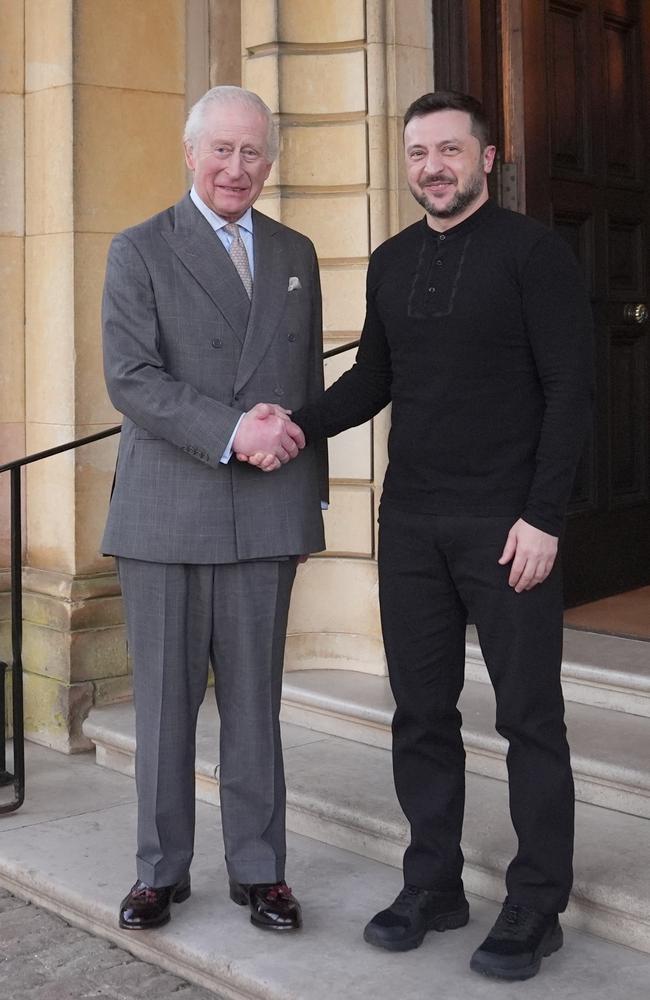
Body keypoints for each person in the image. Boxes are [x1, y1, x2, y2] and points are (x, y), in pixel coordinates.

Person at [243, 90, 594, 980]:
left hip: (508, 525)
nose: (431, 167)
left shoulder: (535, 255)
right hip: (412, 524)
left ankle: (536, 902)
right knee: (421, 715)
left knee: (529, 719)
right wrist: (297, 424)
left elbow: (571, 393)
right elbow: (374, 376)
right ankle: (433, 883)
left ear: (486, 157)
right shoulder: (394, 261)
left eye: (448, 150)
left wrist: (546, 516)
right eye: (416, 154)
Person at [101, 85, 328, 934]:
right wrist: (236, 429)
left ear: (270, 162)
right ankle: (160, 873)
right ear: (189, 153)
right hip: (166, 509)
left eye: (253, 153)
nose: (238, 167)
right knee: (162, 706)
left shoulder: (296, 249)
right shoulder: (139, 248)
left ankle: (260, 871)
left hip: (268, 509)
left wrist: (302, 485)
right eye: (222, 150)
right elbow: (131, 378)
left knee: (255, 704)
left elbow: (303, 383)